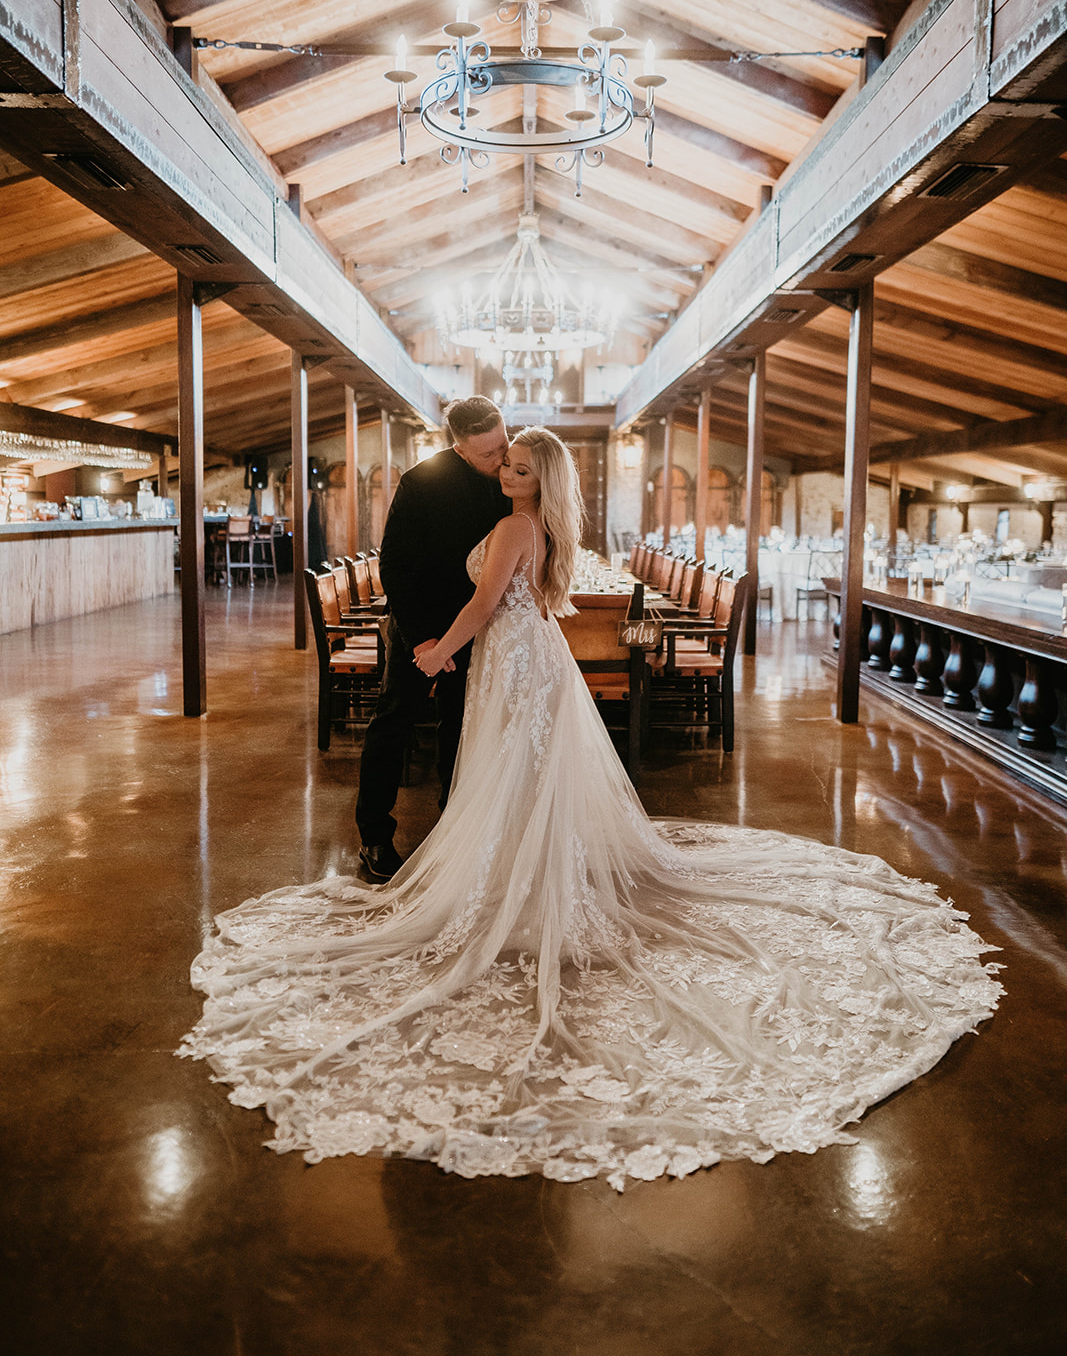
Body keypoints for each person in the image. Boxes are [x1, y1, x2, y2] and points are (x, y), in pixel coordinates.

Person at [180, 429, 1002, 1189]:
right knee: (521, 776)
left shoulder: (511, 530)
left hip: (508, 657)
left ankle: (520, 884)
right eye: (506, 464)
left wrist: (436, 648)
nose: (505, 473)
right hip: (529, 658)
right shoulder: (531, 525)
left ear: (541, 482)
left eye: (521, 469)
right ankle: (524, 872)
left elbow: (478, 605)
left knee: (512, 773)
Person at [354, 396, 508, 881]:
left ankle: (453, 825)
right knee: (394, 723)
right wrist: (423, 641)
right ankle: (374, 836)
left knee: (464, 726)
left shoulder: (514, 470)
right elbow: (396, 566)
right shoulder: (421, 482)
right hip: (421, 625)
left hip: (482, 626)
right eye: (487, 453)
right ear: (460, 449)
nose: (500, 458)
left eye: (503, 443)